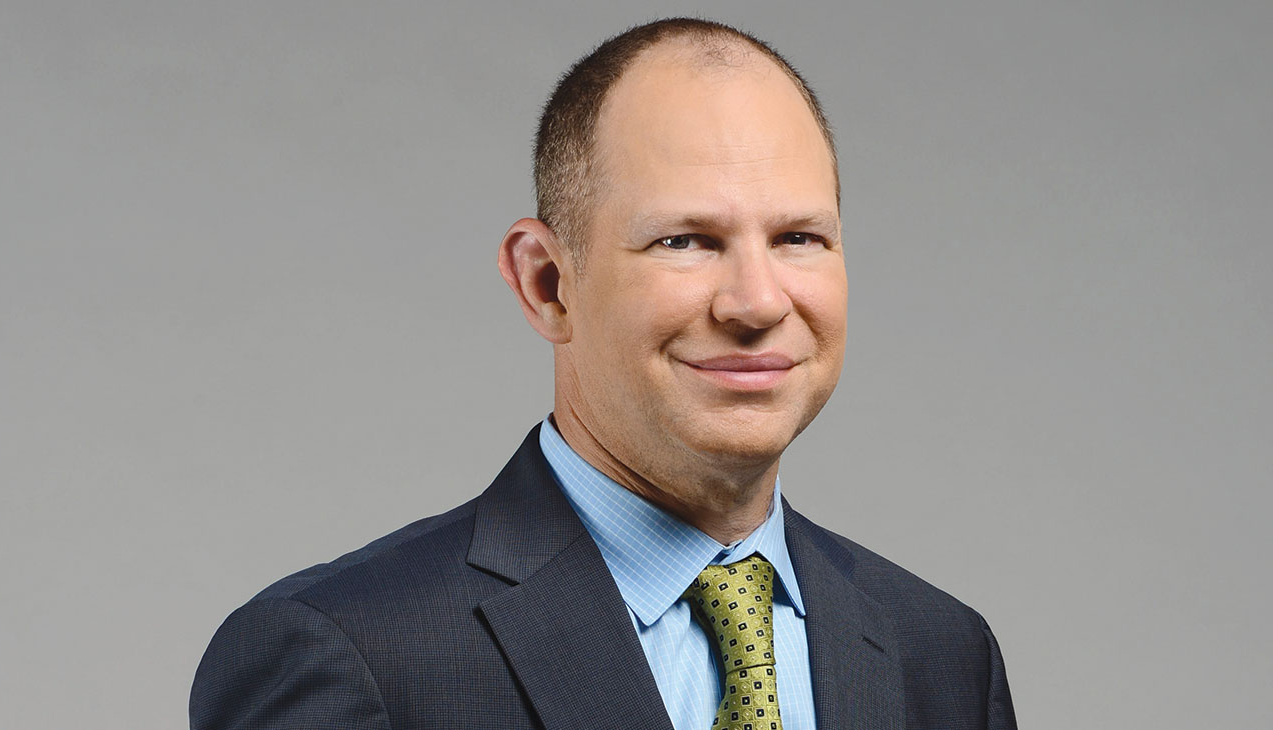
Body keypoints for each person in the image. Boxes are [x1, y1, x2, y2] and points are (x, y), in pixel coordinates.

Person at [191, 18, 1017, 730]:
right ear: (548, 284)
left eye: (799, 236)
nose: (757, 301)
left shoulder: (940, 656)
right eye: (685, 240)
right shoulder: (347, 652)